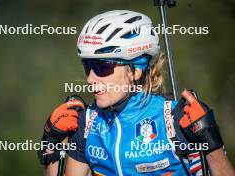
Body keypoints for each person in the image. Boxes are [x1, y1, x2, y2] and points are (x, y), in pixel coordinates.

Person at [37, 10, 235, 176]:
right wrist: (51, 146)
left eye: (103, 67)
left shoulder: (176, 119)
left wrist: (210, 142)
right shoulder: (87, 124)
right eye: (87, 66)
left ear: (135, 71)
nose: (90, 78)